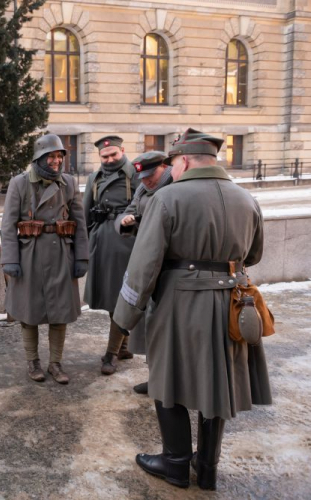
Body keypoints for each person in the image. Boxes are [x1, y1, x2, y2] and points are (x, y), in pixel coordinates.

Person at [113, 129, 272, 490]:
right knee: (219, 384)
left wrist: (125, 316)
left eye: (173, 164)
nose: (171, 171)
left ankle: (175, 464)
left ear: (183, 160)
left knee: (168, 381)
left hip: (180, 303)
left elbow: (144, 265)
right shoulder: (247, 199)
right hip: (233, 303)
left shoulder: (167, 199)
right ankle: (208, 467)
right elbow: (255, 255)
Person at [1, 134, 89, 384]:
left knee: (60, 313)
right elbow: (8, 225)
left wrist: (81, 256)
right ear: (39, 157)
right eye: (51, 156)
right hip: (30, 255)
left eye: (59, 155)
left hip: (61, 252)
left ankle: (55, 363)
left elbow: (80, 223)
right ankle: (33, 361)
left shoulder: (69, 183)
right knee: (29, 313)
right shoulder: (19, 183)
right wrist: (11, 260)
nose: (56, 161)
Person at [114, 151, 174, 395]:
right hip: (147, 262)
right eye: (143, 177)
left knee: (167, 329)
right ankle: (155, 378)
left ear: (164, 167)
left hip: (169, 267)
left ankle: (169, 381)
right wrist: (125, 220)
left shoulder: (175, 187)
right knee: (150, 324)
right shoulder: (142, 189)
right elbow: (129, 210)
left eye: (152, 175)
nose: (147, 181)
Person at [82, 135, 140, 375]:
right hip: (100, 240)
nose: (109, 159)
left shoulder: (134, 175)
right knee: (110, 297)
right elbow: (85, 210)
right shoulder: (94, 177)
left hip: (125, 240)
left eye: (113, 154)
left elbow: (144, 204)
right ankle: (124, 347)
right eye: (104, 156)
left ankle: (111, 353)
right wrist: (83, 244)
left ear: (122, 151)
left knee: (120, 298)